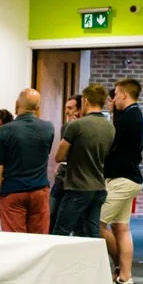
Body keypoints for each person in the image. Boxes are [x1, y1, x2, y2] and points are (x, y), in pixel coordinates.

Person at [0, 89, 56, 235]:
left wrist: (0, 193)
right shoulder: (48, 128)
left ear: (17, 104)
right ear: (37, 108)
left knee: (16, 241)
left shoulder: (5, 130)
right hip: (39, 191)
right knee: (39, 239)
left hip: (13, 192)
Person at [53, 84, 114, 240]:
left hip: (78, 186)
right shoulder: (110, 127)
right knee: (92, 233)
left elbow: (59, 156)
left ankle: (57, 264)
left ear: (85, 101)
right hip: (99, 187)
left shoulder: (76, 126)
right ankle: (95, 264)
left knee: (61, 231)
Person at [103, 77, 143, 284]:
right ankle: (125, 276)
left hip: (121, 180)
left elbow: (109, 144)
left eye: (116, 95)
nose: (113, 99)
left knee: (96, 222)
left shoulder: (126, 119)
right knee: (121, 228)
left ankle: (118, 265)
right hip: (130, 178)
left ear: (123, 94)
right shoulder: (136, 115)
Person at [48, 93, 81, 225]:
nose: (67, 111)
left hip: (74, 178)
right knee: (53, 213)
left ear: (79, 109)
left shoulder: (77, 127)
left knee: (62, 217)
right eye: (66, 108)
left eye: (71, 108)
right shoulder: (66, 127)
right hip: (63, 175)